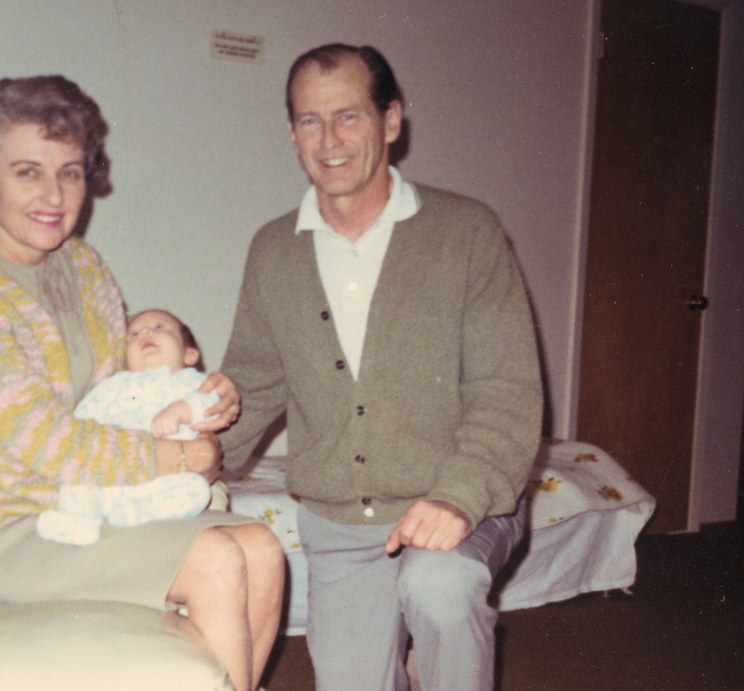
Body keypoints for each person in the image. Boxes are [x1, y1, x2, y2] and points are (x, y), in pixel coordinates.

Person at [0, 75, 283, 691]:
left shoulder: (83, 267)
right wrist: (186, 456)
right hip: (4, 526)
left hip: (94, 501)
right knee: (217, 559)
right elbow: (49, 443)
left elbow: (122, 394)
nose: (54, 194)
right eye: (28, 171)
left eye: (72, 172)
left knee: (264, 549)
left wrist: (194, 399)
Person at [219, 44, 543, 690]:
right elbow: (252, 383)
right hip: (340, 520)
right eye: (309, 120)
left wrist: (457, 496)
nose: (329, 139)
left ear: (391, 121)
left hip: (457, 503)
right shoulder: (273, 250)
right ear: (291, 133)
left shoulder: (466, 232)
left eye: (349, 116)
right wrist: (185, 464)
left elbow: (505, 391)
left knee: (439, 585)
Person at [37, 308, 231, 545]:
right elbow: (82, 420)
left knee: (198, 490)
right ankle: (79, 522)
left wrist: (181, 410)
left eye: (160, 327)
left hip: (168, 476)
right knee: (76, 481)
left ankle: (137, 512)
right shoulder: (115, 385)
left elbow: (214, 404)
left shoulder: (192, 381)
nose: (146, 333)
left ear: (190, 355)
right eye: (134, 334)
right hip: (114, 472)